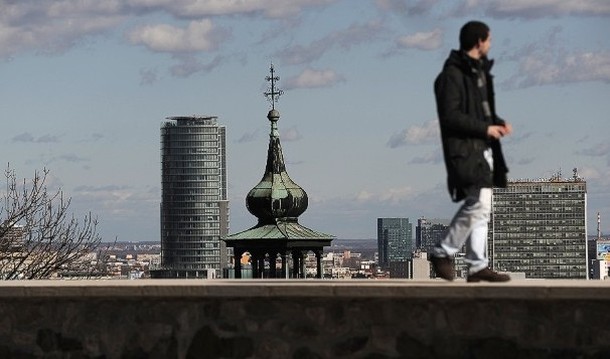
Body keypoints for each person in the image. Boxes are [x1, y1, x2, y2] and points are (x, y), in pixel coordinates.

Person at [431, 21, 512, 282]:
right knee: (477, 204)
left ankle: (477, 265)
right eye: (488, 40)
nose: (490, 45)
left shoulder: (477, 74)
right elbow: (450, 117)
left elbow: (480, 112)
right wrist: (485, 129)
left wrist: (496, 123)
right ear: (479, 42)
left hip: (482, 148)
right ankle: (443, 251)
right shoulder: (452, 76)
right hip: (465, 150)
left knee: (482, 208)